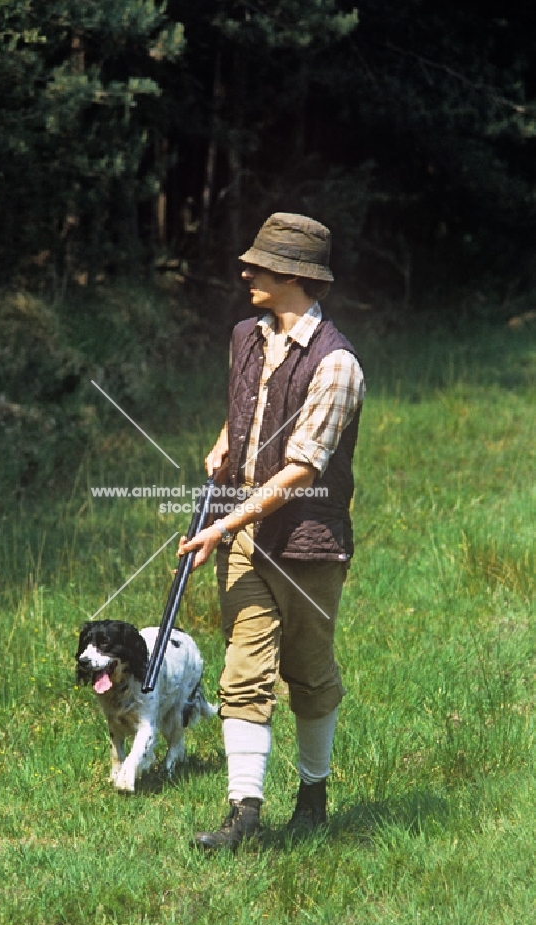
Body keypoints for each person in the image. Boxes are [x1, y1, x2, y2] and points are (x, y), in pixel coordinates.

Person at [178, 212, 365, 850]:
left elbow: (301, 467)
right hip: (247, 542)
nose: (244, 271)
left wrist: (223, 522)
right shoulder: (245, 336)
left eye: (256, 265)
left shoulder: (339, 365)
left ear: (291, 276)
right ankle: (244, 816)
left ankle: (313, 799)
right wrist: (222, 445)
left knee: (308, 676)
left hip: (309, 543)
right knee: (242, 674)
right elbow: (246, 410)